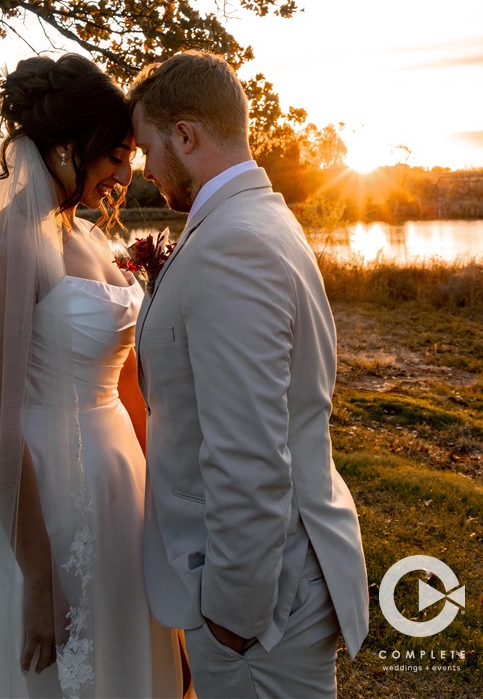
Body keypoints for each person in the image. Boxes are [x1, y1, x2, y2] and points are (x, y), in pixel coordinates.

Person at [0, 54, 183, 699]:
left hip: (118, 477)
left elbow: (128, 373)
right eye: (113, 156)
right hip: (41, 488)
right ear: (64, 147)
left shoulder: (85, 235)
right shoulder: (2, 249)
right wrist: (37, 574)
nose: (124, 174)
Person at [128, 51, 369, 699]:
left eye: (147, 149)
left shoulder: (232, 242)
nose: (145, 172)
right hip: (275, 582)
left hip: (261, 607)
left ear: (185, 135)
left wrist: (232, 611)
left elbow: (248, 452)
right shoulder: (261, 218)